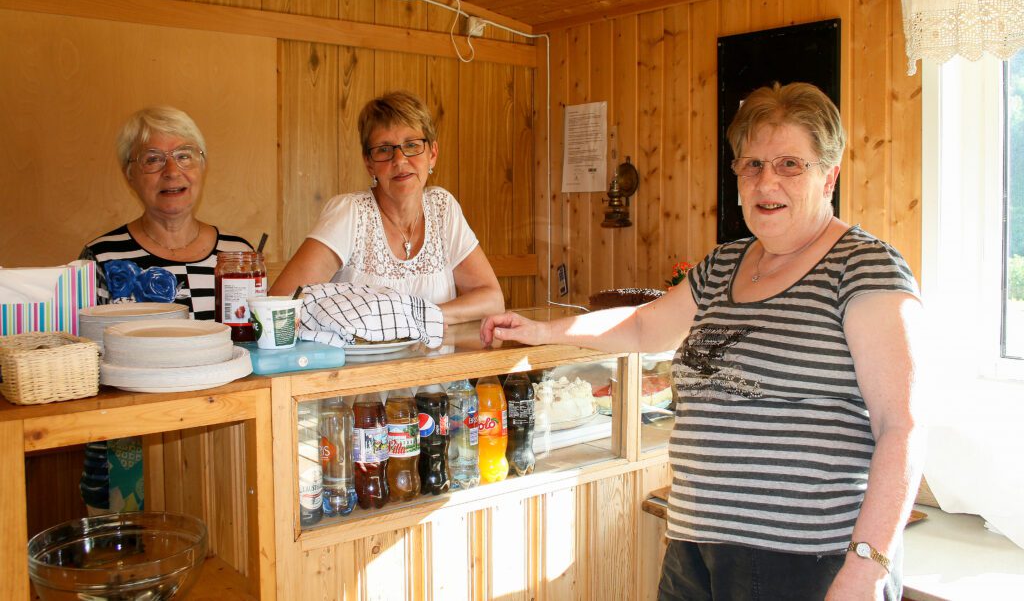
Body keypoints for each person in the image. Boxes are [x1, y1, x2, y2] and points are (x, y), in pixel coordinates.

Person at [482, 82, 923, 601]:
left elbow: (902, 428)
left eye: (789, 164)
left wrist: (866, 569)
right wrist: (544, 331)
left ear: (829, 175)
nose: (766, 181)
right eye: (752, 164)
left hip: (807, 560)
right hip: (695, 545)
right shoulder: (725, 263)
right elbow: (647, 326)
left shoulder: (865, 267)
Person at [79, 106, 254, 512]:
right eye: (153, 159)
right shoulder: (101, 257)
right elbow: (84, 363)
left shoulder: (238, 254)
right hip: (124, 450)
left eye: (185, 155)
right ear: (130, 174)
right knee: (125, 567)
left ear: (202, 166)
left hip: (223, 438)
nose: (172, 171)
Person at [271, 90, 504, 325]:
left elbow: (492, 299)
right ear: (369, 163)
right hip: (363, 363)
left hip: (440, 363)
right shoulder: (351, 213)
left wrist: (420, 317)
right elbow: (278, 307)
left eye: (411, 145)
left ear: (432, 154)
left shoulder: (442, 208)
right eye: (384, 149)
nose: (399, 160)